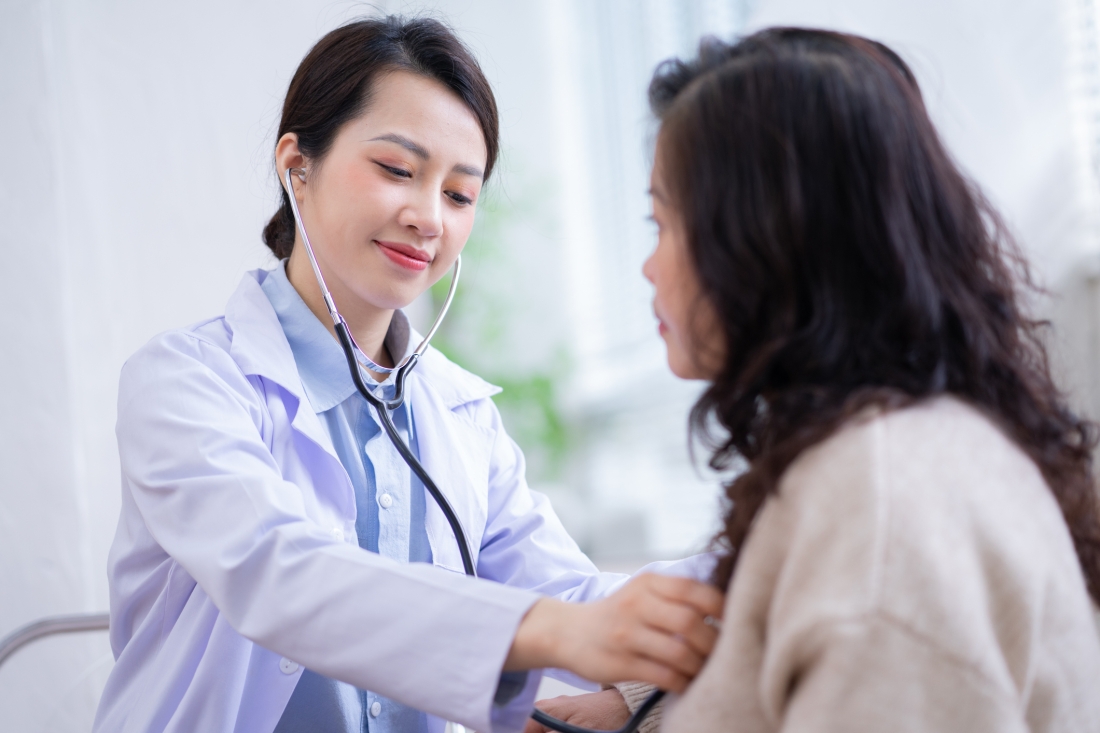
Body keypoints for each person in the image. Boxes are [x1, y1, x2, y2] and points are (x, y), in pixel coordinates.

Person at [93, 16, 723, 733]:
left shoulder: (460, 414)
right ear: (297, 165)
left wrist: (752, 565)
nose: (428, 217)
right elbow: (279, 573)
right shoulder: (185, 383)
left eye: (459, 195)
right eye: (397, 170)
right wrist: (557, 630)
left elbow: (574, 595)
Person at [531, 27, 1100, 733]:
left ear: (768, 234)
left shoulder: (883, 500)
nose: (648, 267)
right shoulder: (902, 445)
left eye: (664, 222)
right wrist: (639, 707)